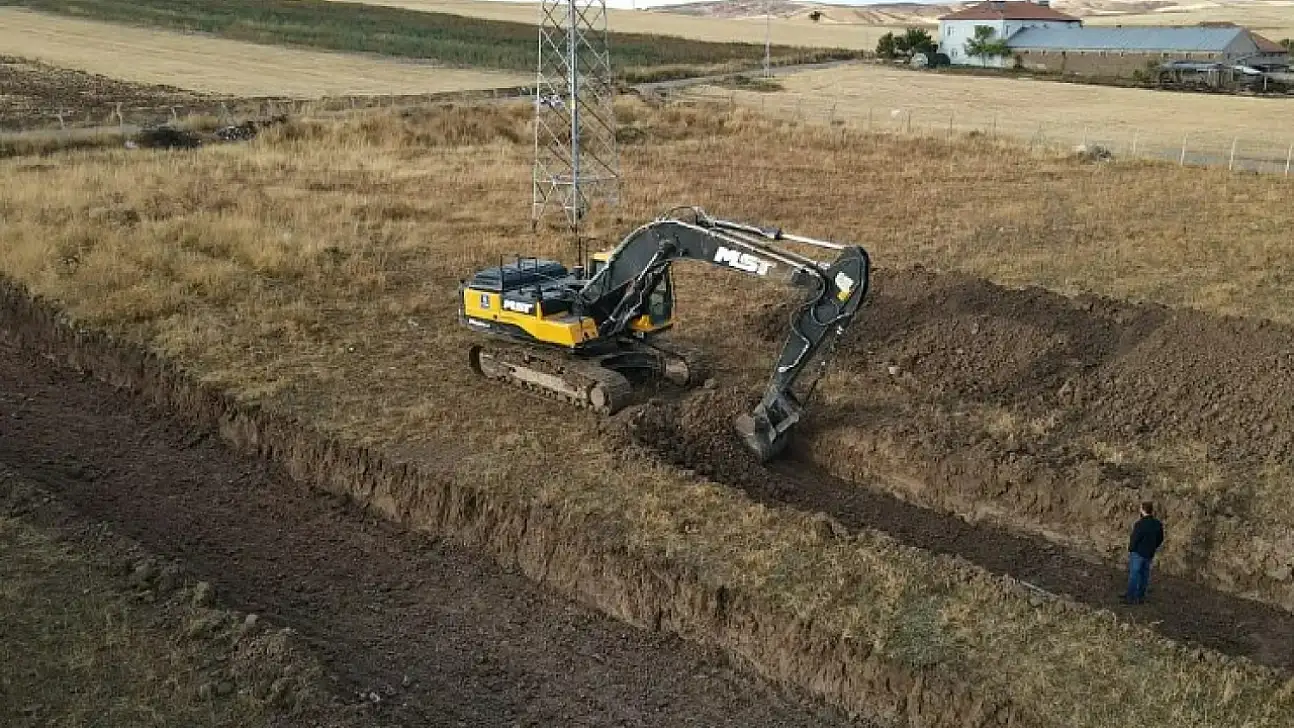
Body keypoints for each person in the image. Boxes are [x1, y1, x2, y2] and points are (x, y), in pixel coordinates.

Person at [1123, 501, 1165, 604]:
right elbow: (1160, 538)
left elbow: (1135, 538)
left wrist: (1131, 548)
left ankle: (1130, 596)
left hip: (1138, 552)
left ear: (1142, 510)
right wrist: (1154, 547)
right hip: (1149, 552)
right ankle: (1140, 596)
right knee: (1144, 575)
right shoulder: (1157, 524)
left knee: (1134, 574)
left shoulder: (1140, 524)